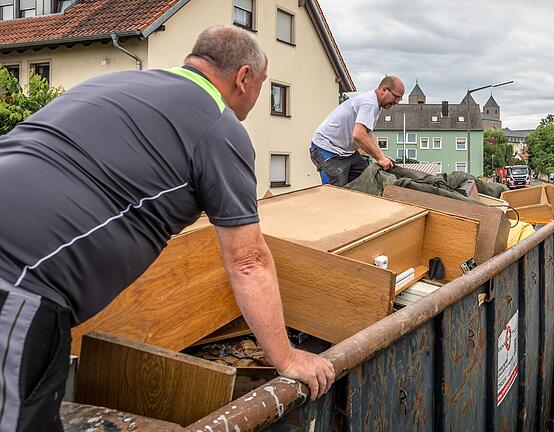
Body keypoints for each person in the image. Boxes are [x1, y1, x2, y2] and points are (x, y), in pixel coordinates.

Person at [0, 26, 334, 431]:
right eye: (262, 85)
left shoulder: (116, 83)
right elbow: (247, 260)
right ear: (244, 78)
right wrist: (287, 358)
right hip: (20, 278)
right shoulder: (219, 127)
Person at [310, 76, 403, 185]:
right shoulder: (369, 103)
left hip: (347, 152)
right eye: (396, 97)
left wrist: (381, 156)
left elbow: (368, 133)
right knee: (335, 193)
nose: (397, 102)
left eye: (399, 99)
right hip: (327, 149)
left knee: (367, 178)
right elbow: (359, 135)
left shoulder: (377, 105)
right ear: (384, 90)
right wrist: (380, 158)